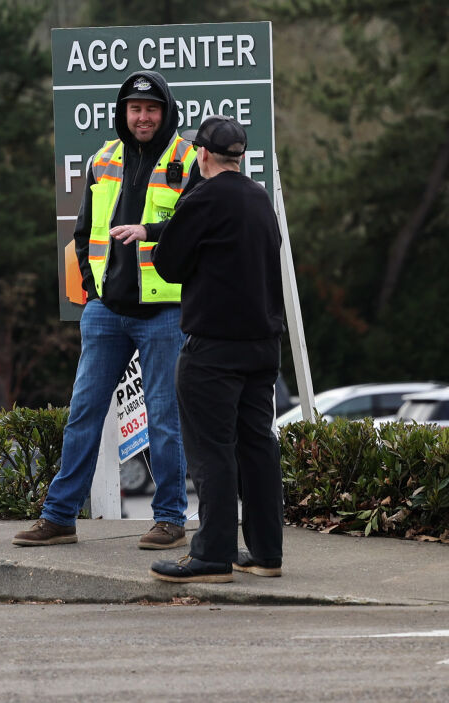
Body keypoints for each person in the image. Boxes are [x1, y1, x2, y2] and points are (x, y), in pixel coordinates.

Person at [15, 71, 195, 551]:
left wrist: (150, 234)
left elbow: (199, 233)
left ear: (166, 112)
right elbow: (82, 233)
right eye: (135, 108)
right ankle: (58, 516)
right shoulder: (102, 159)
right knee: (83, 413)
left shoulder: (189, 160)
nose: (143, 117)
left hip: (166, 312)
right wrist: (94, 294)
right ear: (123, 112)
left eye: (151, 109)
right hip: (106, 313)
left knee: (164, 417)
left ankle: (170, 519)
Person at [145, 116, 286, 584]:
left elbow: (168, 265)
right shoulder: (259, 197)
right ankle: (266, 553)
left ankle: (212, 554)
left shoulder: (202, 197)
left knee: (212, 452)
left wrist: (182, 206)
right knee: (256, 447)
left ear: (202, 154)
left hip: (213, 348)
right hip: (263, 346)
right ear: (239, 157)